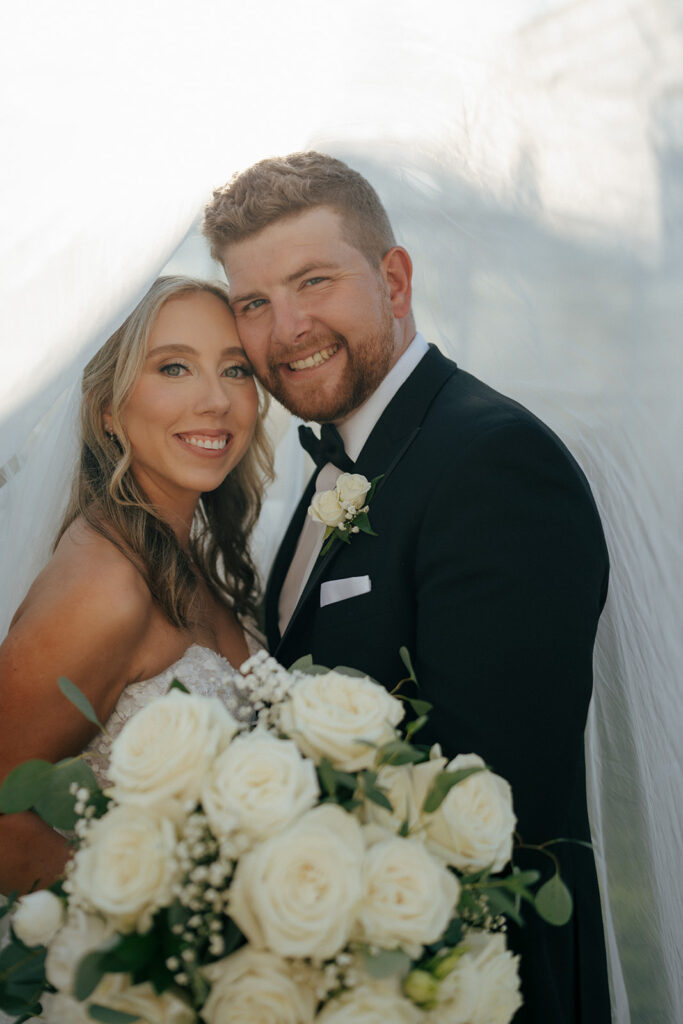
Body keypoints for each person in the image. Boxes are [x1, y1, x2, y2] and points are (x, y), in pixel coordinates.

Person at [202, 151, 612, 1023]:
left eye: (313, 280)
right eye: (254, 303)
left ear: (393, 278)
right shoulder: (331, 466)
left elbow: (493, 800)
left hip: (474, 981)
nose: (287, 328)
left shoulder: (494, 463)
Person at [0, 275, 272, 897]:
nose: (216, 402)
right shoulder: (105, 586)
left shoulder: (181, 553)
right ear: (106, 407)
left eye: (235, 371)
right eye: (174, 368)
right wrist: (165, 924)